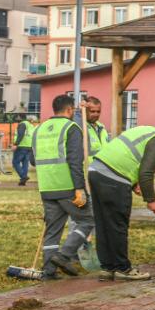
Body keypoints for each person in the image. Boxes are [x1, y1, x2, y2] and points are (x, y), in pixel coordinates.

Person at [88, 123, 155, 280]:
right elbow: (146, 172)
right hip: (114, 177)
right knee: (118, 224)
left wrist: (134, 183)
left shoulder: (151, 132)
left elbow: (131, 157)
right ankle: (123, 268)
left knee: (104, 223)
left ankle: (107, 268)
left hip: (96, 171)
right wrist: (151, 200)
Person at [33, 93, 94, 278]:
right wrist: (80, 188)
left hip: (46, 186)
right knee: (89, 219)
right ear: (69, 110)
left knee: (53, 230)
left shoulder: (39, 129)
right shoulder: (71, 128)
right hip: (67, 186)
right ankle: (65, 255)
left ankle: (48, 272)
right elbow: (75, 161)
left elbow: (32, 159)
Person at [12, 117, 37, 186]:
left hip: (21, 146)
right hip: (29, 147)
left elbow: (21, 134)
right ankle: (23, 181)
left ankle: (23, 177)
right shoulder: (31, 126)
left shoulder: (22, 124)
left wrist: (15, 144)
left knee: (15, 162)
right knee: (25, 164)